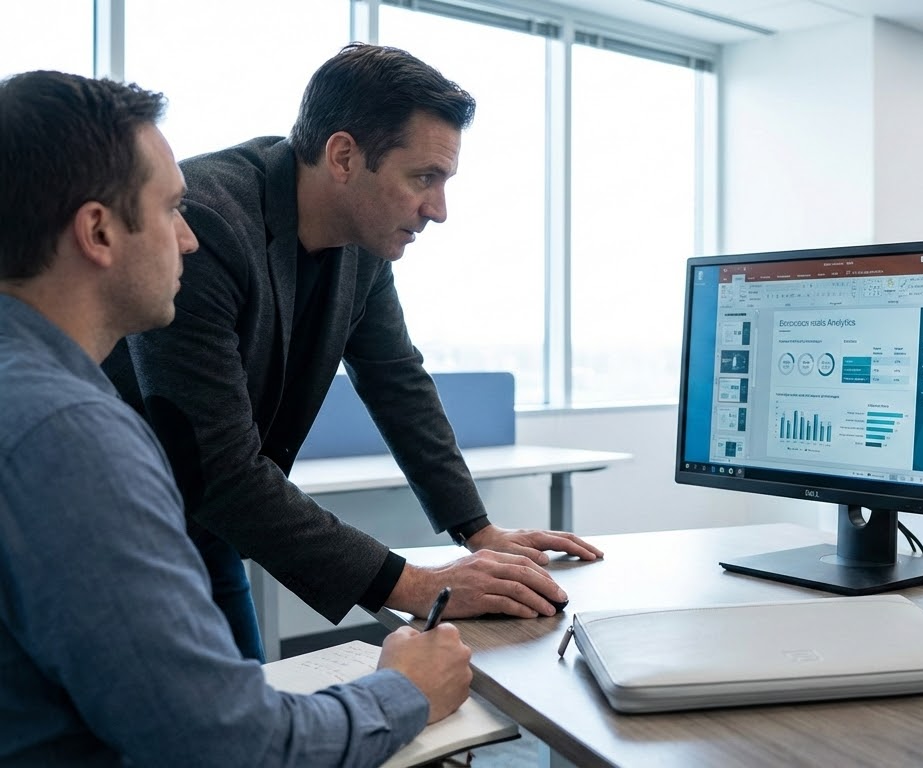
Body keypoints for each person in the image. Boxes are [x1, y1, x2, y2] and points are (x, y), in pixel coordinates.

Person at [0, 70, 472, 766]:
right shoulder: (71, 437)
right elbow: (231, 745)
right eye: (169, 211)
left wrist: (478, 529)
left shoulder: (31, 391)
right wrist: (404, 689)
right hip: (163, 504)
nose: (185, 241)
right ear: (98, 231)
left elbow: (396, 376)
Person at [103, 42, 603, 661]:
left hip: (204, 526)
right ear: (343, 156)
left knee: (239, 709)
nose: (439, 210)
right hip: (113, 526)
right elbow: (221, 468)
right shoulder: (207, 227)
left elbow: (397, 380)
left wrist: (479, 531)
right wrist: (418, 585)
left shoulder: (361, 242)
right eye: (424, 178)